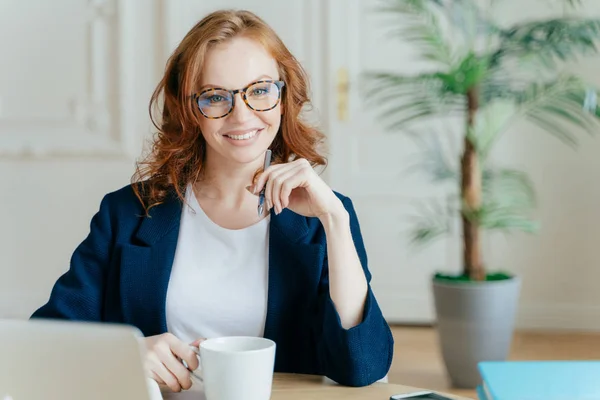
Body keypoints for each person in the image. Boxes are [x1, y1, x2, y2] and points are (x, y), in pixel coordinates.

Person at [31, 9, 394, 391]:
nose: (242, 115)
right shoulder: (126, 213)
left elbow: (362, 367)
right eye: (215, 97)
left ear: (283, 98)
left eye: (260, 90)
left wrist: (336, 221)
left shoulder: (327, 217)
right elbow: (46, 342)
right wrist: (127, 354)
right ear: (190, 110)